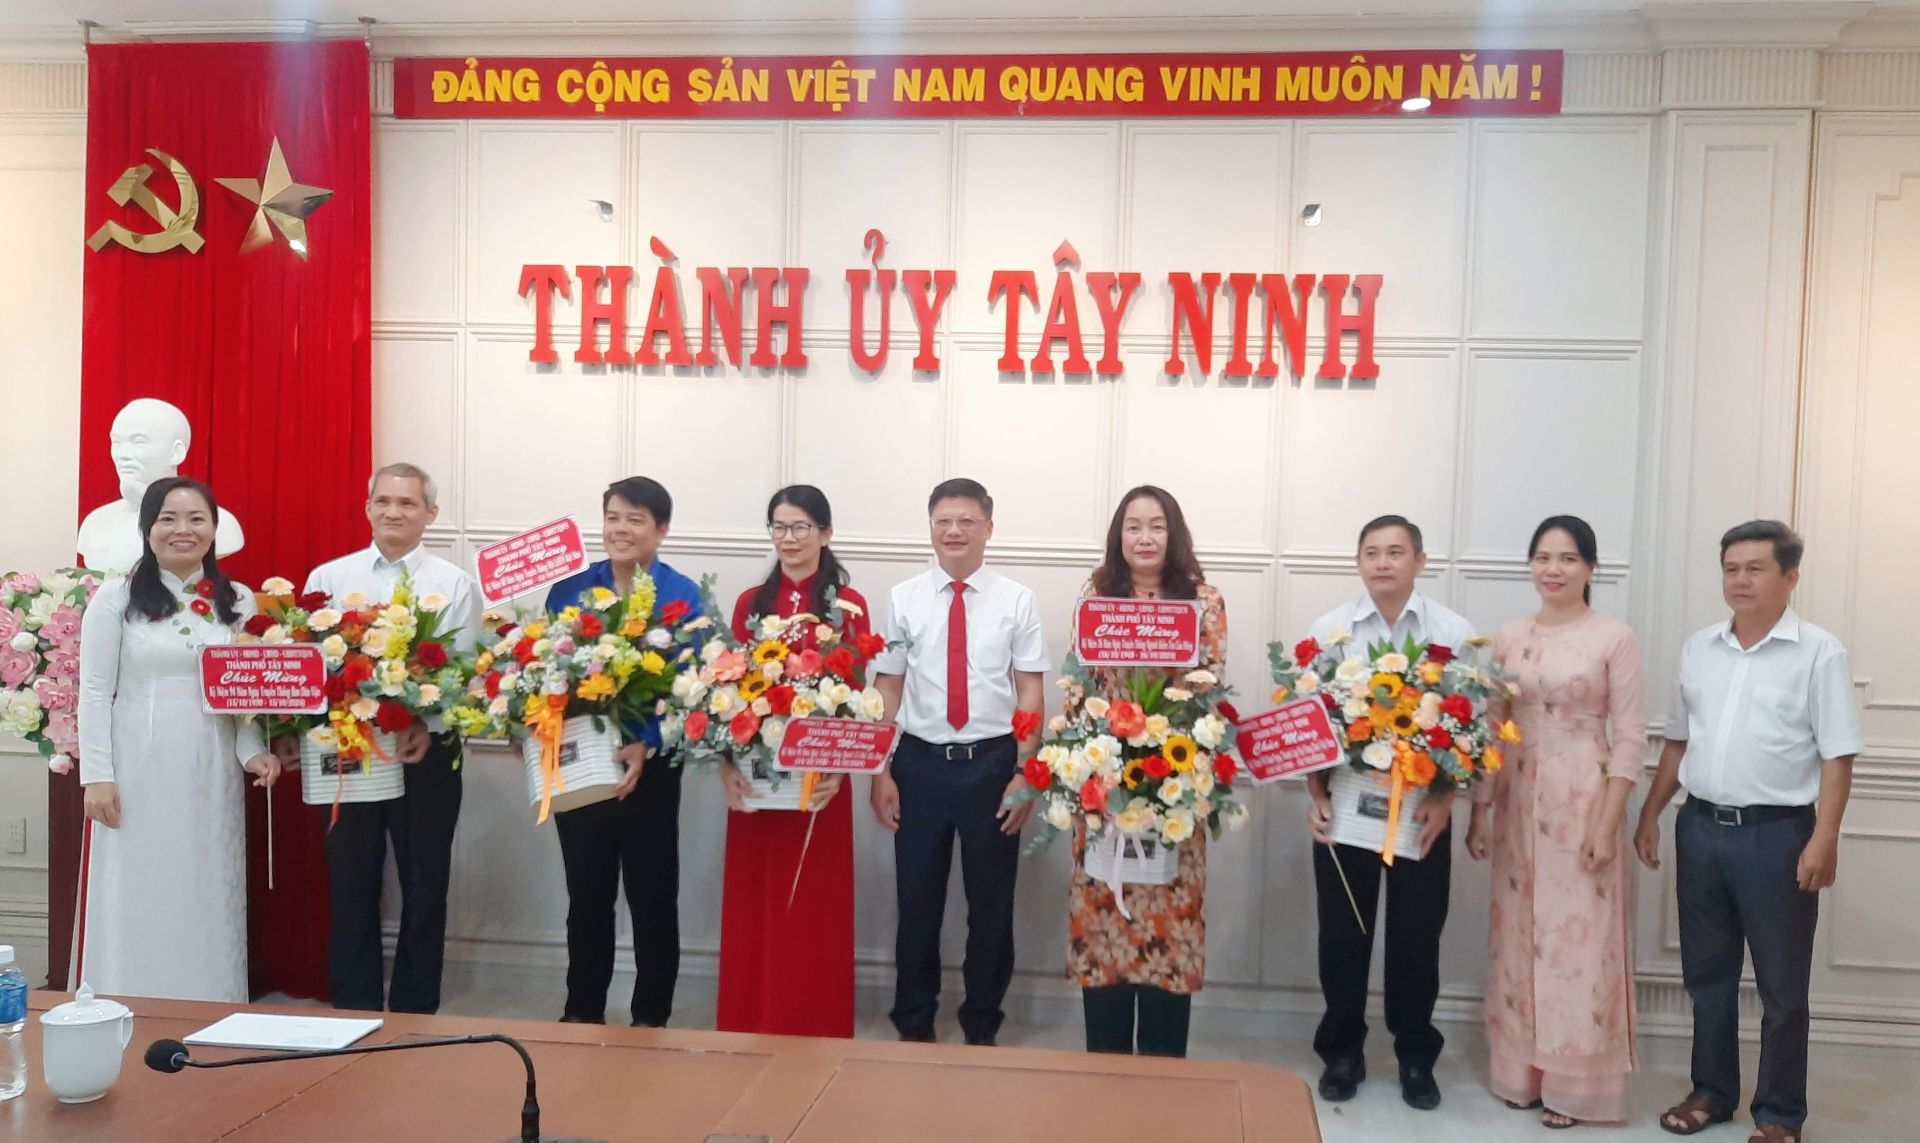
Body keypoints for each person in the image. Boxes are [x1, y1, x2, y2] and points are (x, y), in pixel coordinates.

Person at [1633, 521, 1860, 1143]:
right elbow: (1679, 740)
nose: (1741, 579)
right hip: (1701, 828)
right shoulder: (1699, 648)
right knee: (1708, 975)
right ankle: (1711, 1091)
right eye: (1731, 568)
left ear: (1790, 577)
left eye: (1756, 568)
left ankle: (1780, 1114)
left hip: (1778, 835)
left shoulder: (1819, 653)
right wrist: (1652, 813)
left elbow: (1837, 754)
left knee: (1782, 986)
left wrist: (1825, 837)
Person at [1465, 516, 1644, 1128]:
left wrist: (1606, 823)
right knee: (1518, 936)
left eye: (1567, 558)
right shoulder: (1509, 637)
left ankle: (1574, 1086)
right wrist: (1481, 810)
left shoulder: (1613, 637)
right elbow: (1492, 728)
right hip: (1517, 799)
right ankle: (1521, 1075)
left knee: (1578, 940)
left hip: (1584, 795)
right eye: (1542, 557)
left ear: (1589, 568)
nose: (1553, 569)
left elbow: (1630, 736)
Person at [77, 476, 280, 1002]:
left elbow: (243, 693)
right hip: (135, 763)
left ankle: (211, 1001)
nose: (182, 530)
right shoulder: (116, 598)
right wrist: (97, 776)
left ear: (214, 528)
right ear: (147, 528)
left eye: (196, 518)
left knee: (204, 881)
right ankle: (125, 1000)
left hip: (209, 764)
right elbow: (94, 691)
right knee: (140, 883)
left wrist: (253, 753)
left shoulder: (238, 599)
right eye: (167, 518)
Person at [1303, 514, 1474, 1110]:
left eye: (1395, 552)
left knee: (1416, 939)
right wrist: (1316, 795)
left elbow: (1472, 728)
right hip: (1346, 810)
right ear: (1359, 562)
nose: (1382, 562)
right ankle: (1342, 1053)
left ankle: (1416, 1058)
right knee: (1342, 937)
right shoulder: (1329, 632)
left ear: (1419, 561)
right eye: (1371, 552)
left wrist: (1447, 800)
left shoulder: (1453, 633)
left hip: (1421, 813)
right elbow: (1308, 725)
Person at [870, 478, 1048, 1046]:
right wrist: (881, 769)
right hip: (918, 764)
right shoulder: (904, 598)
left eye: (966, 520)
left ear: (988, 528)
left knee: (991, 907)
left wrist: (1024, 772)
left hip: (992, 765)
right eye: (943, 520)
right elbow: (889, 687)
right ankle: (914, 1021)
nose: (954, 531)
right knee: (916, 901)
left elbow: (1029, 690)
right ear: (930, 527)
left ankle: (982, 1024)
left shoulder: (1017, 600)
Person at [299, 463, 482, 1014]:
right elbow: (307, 667)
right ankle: (352, 1006)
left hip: (425, 748)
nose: (393, 512)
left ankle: (413, 1010)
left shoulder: (453, 583)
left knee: (425, 884)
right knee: (351, 882)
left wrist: (429, 724)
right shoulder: (329, 579)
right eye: (383, 501)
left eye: (407, 503)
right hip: (350, 746)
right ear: (367, 508)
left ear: (430, 513)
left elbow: (465, 672)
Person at [1066, 486, 1225, 1058]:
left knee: (1169, 922)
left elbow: (1208, 687)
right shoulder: (1095, 596)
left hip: (1174, 785)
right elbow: (1079, 686)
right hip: (1103, 787)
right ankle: (1106, 1065)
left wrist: (1172, 757)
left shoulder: (1204, 601)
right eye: (1133, 526)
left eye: (1157, 526)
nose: (1145, 537)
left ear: (1173, 534)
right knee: (1103, 921)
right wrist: (1086, 760)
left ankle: (1164, 1070)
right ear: (1119, 537)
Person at [544, 476, 703, 1027]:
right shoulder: (571, 589)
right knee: (586, 895)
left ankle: (651, 1018)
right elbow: (546, 669)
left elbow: (692, 687)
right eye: (613, 516)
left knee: (652, 898)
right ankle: (581, 1011)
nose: (620, 529)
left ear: (661, 529)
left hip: (651, 769)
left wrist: (647, 742)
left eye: (635, 519)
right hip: (581, 762)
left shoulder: (682, 595)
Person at [715, 485, 868, 1037]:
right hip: (756, 781)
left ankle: (814, 1020)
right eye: (779, 527)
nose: (789, 538)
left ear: (826, 533)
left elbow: (856, 695)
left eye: (801, 527)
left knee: (814, 905)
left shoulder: (849, 605)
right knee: (756, 903)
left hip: (820, 782)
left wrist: (839, 771)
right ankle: (750, 1016)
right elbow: (726, 693)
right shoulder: (749, 603)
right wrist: (725, 768)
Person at [77, 398, 245, 574]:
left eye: (139, 442)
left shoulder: (219, 523)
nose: (122, 455)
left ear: (176, 452)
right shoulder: (95, 523)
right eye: (117, 442)